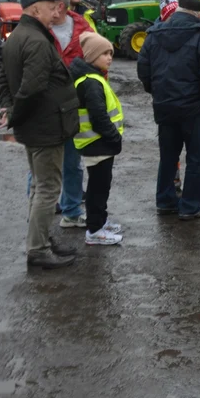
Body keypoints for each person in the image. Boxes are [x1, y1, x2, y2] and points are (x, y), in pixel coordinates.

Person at [0, 0, 80, 270]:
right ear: (35, 10)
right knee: (47, 189)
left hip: (37, 125)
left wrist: (9, 109)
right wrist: (15, 114)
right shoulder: (36, 41)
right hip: (45, 126)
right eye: (50, 6)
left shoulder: (19, 36)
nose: (56, 10)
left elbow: (4, 82)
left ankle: (42, 239)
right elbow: (31, 88)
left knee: (40, 188)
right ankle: (39, 249)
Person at [137, 0, 200, 221]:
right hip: (195, 109)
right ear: (199, 15)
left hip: (165, 106)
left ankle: (165, 201)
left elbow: (144, 71)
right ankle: (190, 206)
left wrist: (157, 92)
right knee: (195, 158)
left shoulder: (154, 35)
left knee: (167, 156)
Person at [44, 0, 93, 229]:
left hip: (73, 107)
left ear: (59, 7)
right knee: (43, 164)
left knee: (72, 162)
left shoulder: (83, 27)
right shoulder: (37, 29)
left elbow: (98, 57)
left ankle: (71, 211)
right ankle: (40, 209)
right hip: (44, 108)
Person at [70, 32, 125, 246]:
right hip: (97, 143)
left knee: (100, 186)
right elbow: (99, 116)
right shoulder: (91, 82)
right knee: (98, 188)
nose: (109, 57)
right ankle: (95, 230)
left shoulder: (92, 78)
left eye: (111, 53)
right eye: (104, 54)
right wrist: (114, 137)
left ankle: (100, 222)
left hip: (97, 143)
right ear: (92, 56)